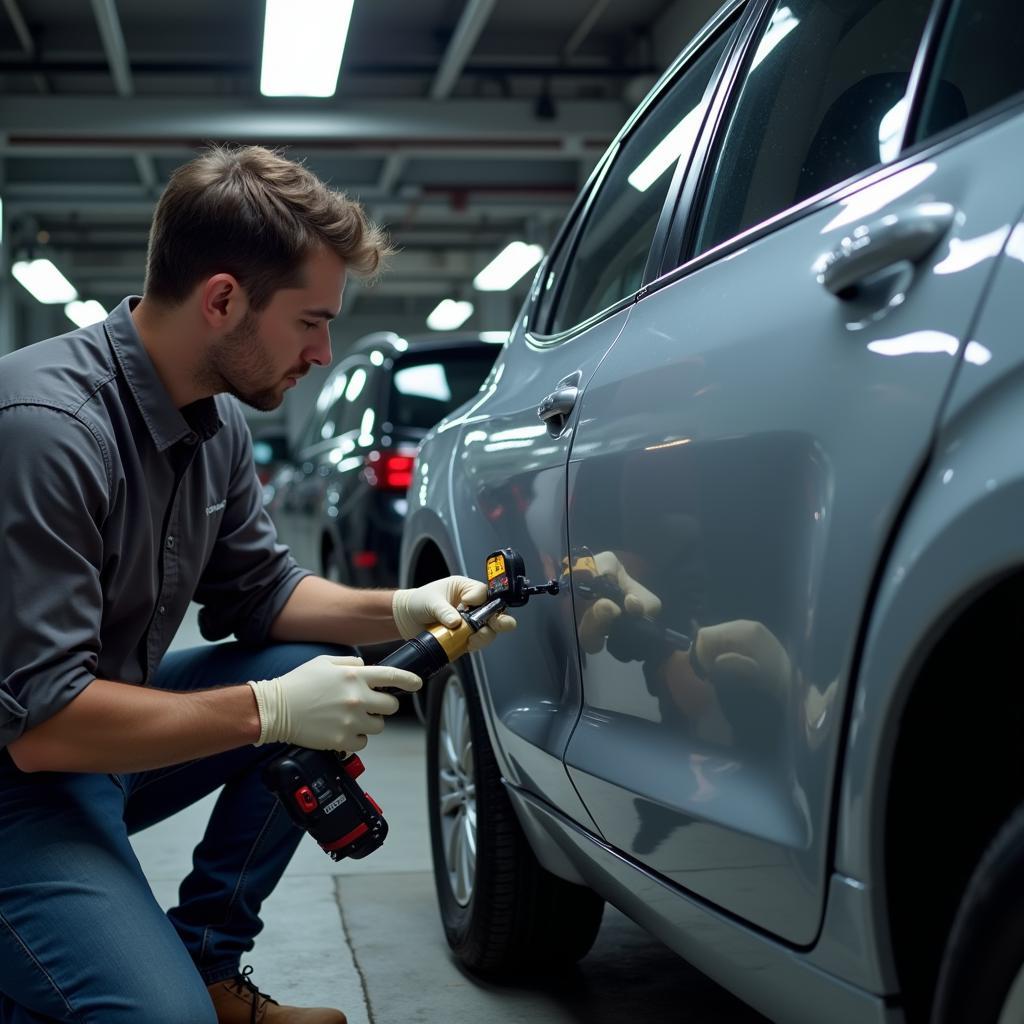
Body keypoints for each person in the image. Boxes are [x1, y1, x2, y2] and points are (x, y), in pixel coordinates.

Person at [0, 145, 515, 1024]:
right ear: (223, 300)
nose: (322, 353)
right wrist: (270, 712)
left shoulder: (217, 424)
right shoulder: (50, 430)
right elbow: (43, 726)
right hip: (21, 774)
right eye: (310, 322)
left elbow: (265, 593)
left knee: (312, 656)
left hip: (94, 743)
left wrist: (402, 608)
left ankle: (206, 960)